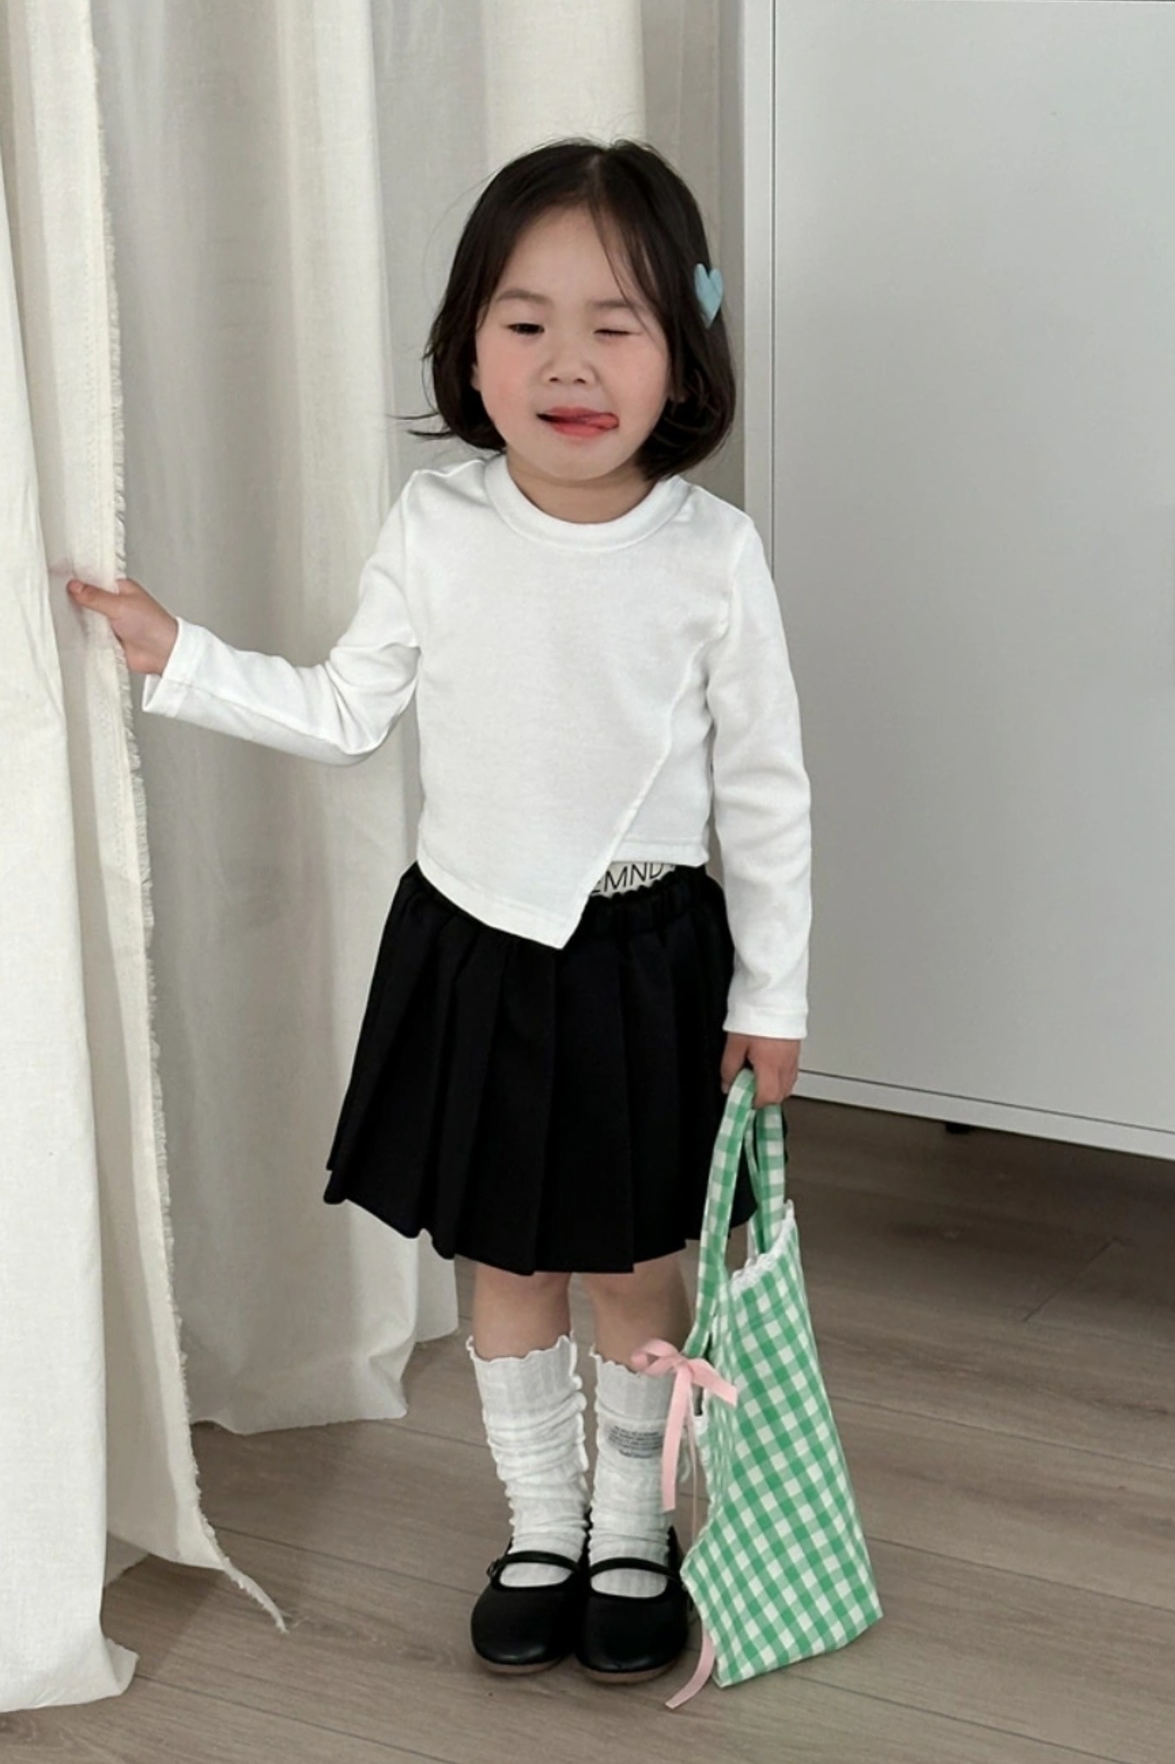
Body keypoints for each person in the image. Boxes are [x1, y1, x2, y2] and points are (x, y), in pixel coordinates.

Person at [67, 138, 811, 1687]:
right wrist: (177, 654)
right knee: (508, 1260)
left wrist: (773, 998)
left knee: (634, 1262)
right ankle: (541, 1524)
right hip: (477, 957)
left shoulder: (713, 555)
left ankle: (634, 1527)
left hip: (646, 964)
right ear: (469, 348)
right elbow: (347, 709)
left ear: (683, 354)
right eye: (525, 321)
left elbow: (766, 794)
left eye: (614, 323)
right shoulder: (437, 524)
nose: (568, 361)